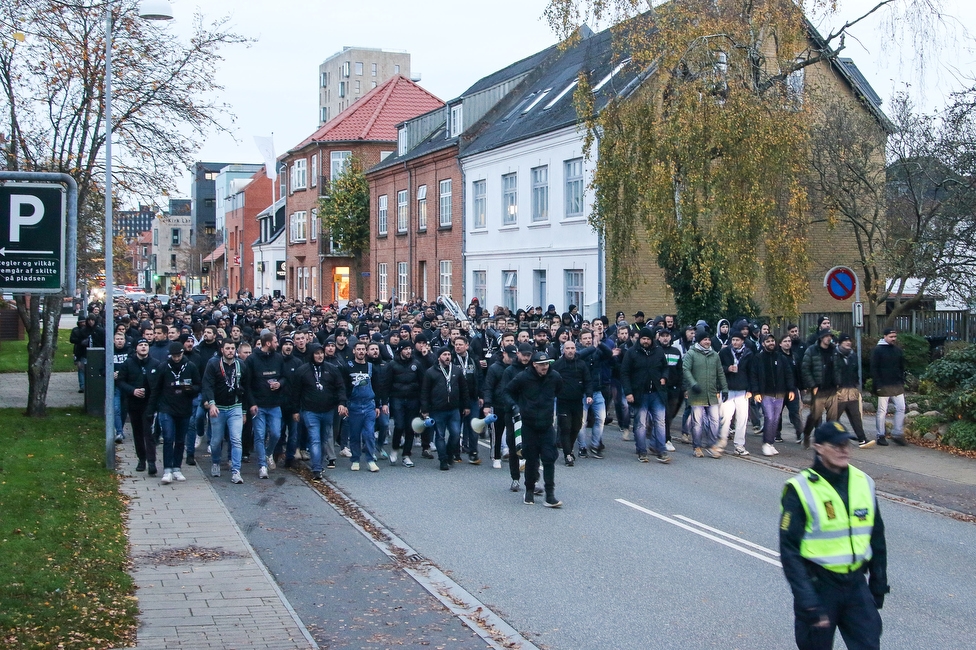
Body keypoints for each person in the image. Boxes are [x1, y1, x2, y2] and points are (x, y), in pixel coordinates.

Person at [780, 421, 888, 650]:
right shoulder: (800, 489)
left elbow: (877, 536)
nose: (844, 450)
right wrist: (807, 601)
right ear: (819, 447)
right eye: (836, 445)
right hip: (819, 585)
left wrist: (878, 583)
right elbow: (789, 551)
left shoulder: (864, 482)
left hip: (856, 586)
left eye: (846, 444)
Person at [505, 351, 563, 507]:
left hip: (546, 425)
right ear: (534, 365)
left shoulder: (555, 377)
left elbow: (559, 390)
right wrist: (516, 405)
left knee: (550, 458)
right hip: (529, 425)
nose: (545, 367)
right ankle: (529, 490)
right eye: (541, 365)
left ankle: (550, 495)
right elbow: (508, 391)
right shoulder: (523, 377)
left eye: (547, 364)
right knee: (531, 459)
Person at [147, 341, 201, 485]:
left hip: (184, 408)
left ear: (182, 354)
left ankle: (177, 467)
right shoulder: (163, 367)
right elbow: (156, 389)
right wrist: (151, 409)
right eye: (174, 356)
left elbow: (198, 385)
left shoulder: (190, 366)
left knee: (180, 439)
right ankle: (167, 469)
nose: (176, 358)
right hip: (166, 407)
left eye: (178, 356)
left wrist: (190, 389)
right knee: (168, 437)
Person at [202, 339, 253, 484]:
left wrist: (244, 411)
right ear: (222, 350)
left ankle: (236, 471)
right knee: (216, 440)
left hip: (235, 407)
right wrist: (211, 404)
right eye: (227, 348)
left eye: (232, 348)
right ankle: (216, 462)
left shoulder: (241, 365)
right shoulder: (213, 364)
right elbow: (207, 385)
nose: (230, 351)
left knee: (236, 439)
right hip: (218, 407)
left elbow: (245, 389)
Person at [296, 342, 347, 479]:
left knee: (324, 439)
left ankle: (319, 462)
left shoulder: (332, 369)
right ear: (311, 355)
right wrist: (296, 410)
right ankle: (316, 469)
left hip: (328, 410)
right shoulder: (303, 370)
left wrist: (342, 403)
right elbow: (296, 392)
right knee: (315, 439)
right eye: (317, 353)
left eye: (321, 353)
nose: (320, 356)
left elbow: (340, 387)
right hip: (310, 411)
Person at [621, 327, 671, 463]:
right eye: (643, 339)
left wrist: (664, 377)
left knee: (660, 422)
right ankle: (642, 451)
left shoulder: (658, 351)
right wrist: (628, 392)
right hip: (639, 394)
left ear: (652, 340)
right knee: (640, 424)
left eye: (648, 339)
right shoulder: (632, 353)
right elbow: (624, 373)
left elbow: (665, 367)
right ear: (639, 339)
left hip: (656, 392)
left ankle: (662, 450)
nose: (646, 341)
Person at [245, 329, 287, 479]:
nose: (278, 344)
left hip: (275, 404)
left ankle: (268, 453)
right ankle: (262, 465)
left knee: (276, 433)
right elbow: (247, 384)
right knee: (259, 435)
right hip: (259, 404)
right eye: (276, 342)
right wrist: (251, 403)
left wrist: (279, 384)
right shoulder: (252, 360)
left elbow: (284, 377)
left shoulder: (278, 358)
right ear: (268, 343)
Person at [420, 346, 470, 471]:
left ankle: (448, 454)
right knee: (440, 435)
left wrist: (466, 405)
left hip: (454, 409)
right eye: (444, 355)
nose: (447, 357)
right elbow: (425, 392)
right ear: (439, 357)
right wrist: (425, 410)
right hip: (437, 409)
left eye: (449, 354)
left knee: (456, 434)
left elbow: (464, 389)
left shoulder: (457, 370)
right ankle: (443, 459)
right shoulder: (431, 372)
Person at [682, 329, 727, 458]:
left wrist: (724, 389)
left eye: (708, 339)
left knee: (715, 421)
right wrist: (693, 384)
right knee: (697, 422)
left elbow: (720, 373)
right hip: (696, 394)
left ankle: (712, 445)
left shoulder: (714, 355)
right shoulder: (691, 353)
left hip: (711, 393)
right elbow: (686, 369)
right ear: (699, 341)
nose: (707, 342)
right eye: (704, 339)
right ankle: (697, 446)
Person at [341, 341, 385, 472]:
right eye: (358, 349)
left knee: (369, 434)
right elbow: (342, 387)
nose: (360, 352)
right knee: (354, 435)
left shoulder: (372, 367)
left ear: (366, 352)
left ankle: (370, 460)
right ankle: (355, 460)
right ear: (354, 351)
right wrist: (344, 404)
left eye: (362, 349)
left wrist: (378, 405)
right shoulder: (347, 367)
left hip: (369, 405)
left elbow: (377, 387)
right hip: (354, 405)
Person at [751, 333, 796, 456]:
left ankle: (770, 443)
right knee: (769, 417)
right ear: (763, 343)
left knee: (776, 419)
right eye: (768, 341)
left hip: (780, 393)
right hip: (766, 393)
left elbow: (788, 374)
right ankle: (766, 443)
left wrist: (791, 389)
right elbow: (754, 376)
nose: (771, 343)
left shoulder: (781, 358)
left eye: (772, 340)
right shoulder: (758, 358)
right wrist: (756, 392)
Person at [117, 337, 157, 475]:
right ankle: (142, 459)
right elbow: (120, 382)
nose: (144, 347)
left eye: (146, 345)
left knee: (149, 432)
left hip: (149, 403)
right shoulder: (128, 363)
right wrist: (133, 390)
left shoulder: (155, 363)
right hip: (133, 403)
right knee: (138, 433)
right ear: (136, 348)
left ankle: (152, 461)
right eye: (141, 345)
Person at [552, 339, 594, 466]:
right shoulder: (557, 365)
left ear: (575, 349)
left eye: (572, 348)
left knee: (576, 427)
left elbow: (588, 381)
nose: (570, 351)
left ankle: (568, 449)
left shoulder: (581, 364)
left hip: (577, 401)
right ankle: (567, 455)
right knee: (565, 428)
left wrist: (589, 395)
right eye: (567, 348)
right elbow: (550, 380)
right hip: (563, 401)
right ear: (563, 350)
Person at [833, 334, 874, 449]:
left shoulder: (853, 355)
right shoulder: (834, 355)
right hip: (839, 391)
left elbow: (856, 371)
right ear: (840, 343)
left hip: (851, 390)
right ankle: (828, 439)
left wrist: (857, 386)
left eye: (849, 341)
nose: (848, 343)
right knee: (834, 417)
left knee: (855, 416)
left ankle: (862, 439)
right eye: (845, 341)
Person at [802, 329, 839, 448]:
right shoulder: (812, 350)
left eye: (830, 336)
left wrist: (838, 382)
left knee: (832, 418)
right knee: (815, 416)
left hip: (832, 389)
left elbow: (838, 368)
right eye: (827, 336)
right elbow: (805, 368)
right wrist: (812, 385)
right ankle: (806, 434)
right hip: (819, 389)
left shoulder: (834, 350)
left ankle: (829, 441)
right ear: (821, 338)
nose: (829, 338)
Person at [719, 331, 754, 457]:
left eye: (737, 340)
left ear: (742, 341)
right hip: (728, 389)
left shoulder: (748, 354)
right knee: (725, 418)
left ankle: (739, 445)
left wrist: (751, 389)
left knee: (742, 419)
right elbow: (718, 369)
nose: (735, 342)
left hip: (742, 390)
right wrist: (727, 369)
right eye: (733, 340)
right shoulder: (724, 352)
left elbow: (752, 372)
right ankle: (721, 443)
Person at [870, 328, 907, 446]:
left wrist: (901, 380)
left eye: (895, 337)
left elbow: (901, 367)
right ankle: (880, 435)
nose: (894, 339)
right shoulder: (878, 350)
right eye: (891, 337)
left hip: (896, 384)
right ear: (885, 336)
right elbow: (874, 368)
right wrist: (878, 385)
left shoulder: (897, 350)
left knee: (901, 407)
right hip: (883, 384)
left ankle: (897, 432)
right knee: (882, 410)